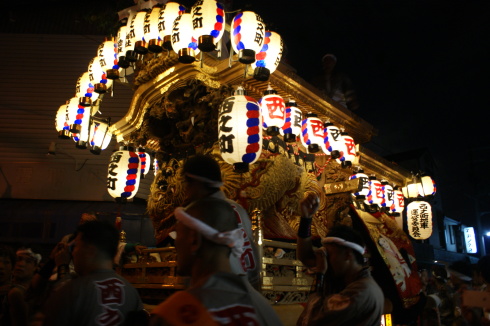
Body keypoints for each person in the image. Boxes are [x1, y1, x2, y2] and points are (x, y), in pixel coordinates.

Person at [149, 197, 283, 326]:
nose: (176, 244)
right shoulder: (262, 308)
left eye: (179, 234)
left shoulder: (176, 313)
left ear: (195, 240)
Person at [295, 192, 384, 326]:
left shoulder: (362, 291)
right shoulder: (347, 279)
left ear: (348, 255)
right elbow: (306, 257)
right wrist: (306, 218)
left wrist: (320, 275)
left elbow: (315, 317)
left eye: (328, 254)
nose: (324, 259)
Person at [180, 154, 261, 290]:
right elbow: (249, 247)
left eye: (186, 183)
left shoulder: (197, 212)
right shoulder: (237, 208)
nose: (185, 189)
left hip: (215, 287)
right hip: (244, 285)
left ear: (195, 182)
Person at [42, 220, 144, 326]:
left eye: (76, 246)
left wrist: (62, 267)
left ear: (90, 250)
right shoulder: (131, 292)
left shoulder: (71, 291)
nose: (73, 252)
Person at [1, 247, 42, 326]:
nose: (21, 264)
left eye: (28, 261)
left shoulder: (40, 292)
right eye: (18, 260)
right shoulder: (6, 289)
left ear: (36, 266)